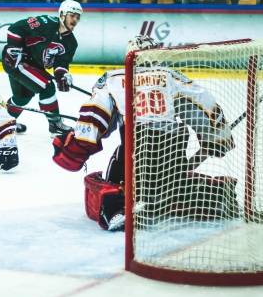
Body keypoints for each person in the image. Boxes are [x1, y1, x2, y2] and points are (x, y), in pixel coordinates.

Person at [52, 35, 236, 231]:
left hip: (136, 150)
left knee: (114, 170)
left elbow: (94, 118)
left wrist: (76, 146)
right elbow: (204, 103)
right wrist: (217, 137)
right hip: (173, 149)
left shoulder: (112, 78)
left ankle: (120, 206)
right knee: (178, 181)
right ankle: (215, 197)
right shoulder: (171, 76)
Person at [1, 0, 82, 136]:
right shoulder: (46, 23)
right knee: (47, 87)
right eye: (72, 15)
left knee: (22, 97)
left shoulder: (71, 43)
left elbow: (61, 62)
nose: (75, 19)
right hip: (19, 62)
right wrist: (14, 49)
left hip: (33, 66)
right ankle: (55, 123)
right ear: (62, 14)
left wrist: (62, 74)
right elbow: (15, 29)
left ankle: (3, 123)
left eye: (78, 17)